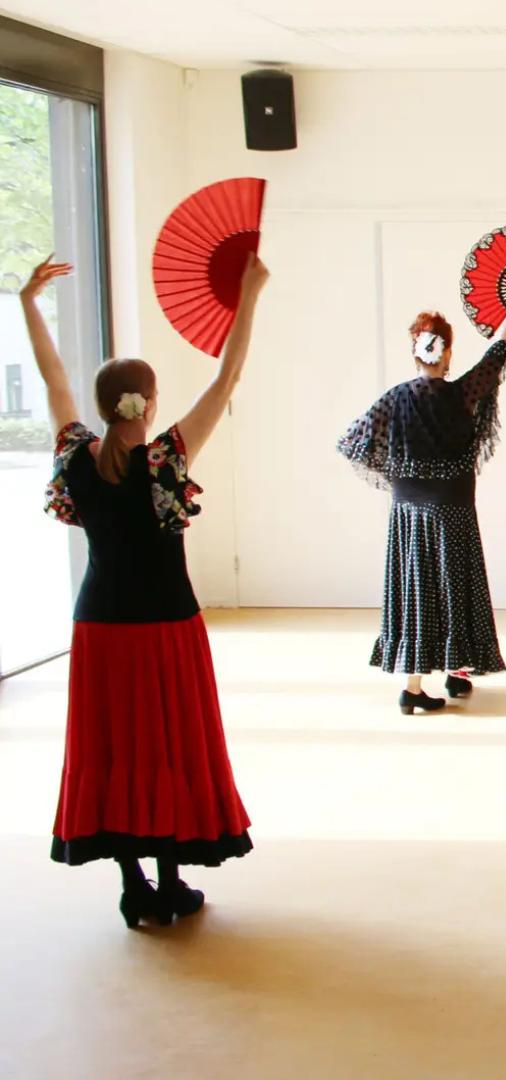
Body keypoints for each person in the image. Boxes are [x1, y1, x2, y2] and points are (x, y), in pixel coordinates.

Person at [27, 252, 267, 927]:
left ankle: (133, 885)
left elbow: (52, 380)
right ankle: (170, 881)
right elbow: (227, 377)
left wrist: (29, 303)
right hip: (166, 627)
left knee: (114, 750)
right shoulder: (165, 459)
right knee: (167, 746)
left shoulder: (76, 454)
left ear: (104, 406)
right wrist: (249, 292)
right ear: (150, 402)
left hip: (101, 629)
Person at [339, 278, 506, 714]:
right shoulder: (462, 394)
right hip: (453, 510)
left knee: (418, 590)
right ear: (446, 353)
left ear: (415, 352)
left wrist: (403, 476)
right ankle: (450, 673)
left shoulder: (395, 400)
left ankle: (418, 684)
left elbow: (352, 442)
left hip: (409, 513)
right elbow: (498, 352)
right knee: (454, 586)